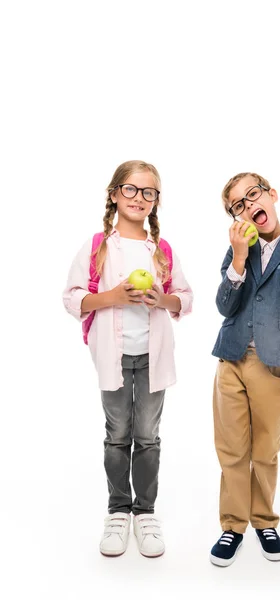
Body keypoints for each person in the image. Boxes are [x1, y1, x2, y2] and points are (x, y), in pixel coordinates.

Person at [63, 160, 193, 558]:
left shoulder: (162, 250)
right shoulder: (98, 246)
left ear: (156, 201)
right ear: (115, 193)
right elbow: (72, 298)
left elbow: (184, 300)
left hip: (153, 359)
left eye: (148, 192)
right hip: (113, 359)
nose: (139, 198)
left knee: (148, 436)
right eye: (131, 190)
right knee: (118, 435)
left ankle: (145, 512)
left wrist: (161, 299)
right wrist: (114, 297)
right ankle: (118, 511)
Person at [210, 172, 280, 567]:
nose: (248, 206)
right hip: (231, 359)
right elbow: (225, 306)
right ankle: (233, 524)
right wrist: (239, 259)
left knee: (265, 449)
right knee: (231, 448)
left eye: (252, 195)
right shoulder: (237, 251)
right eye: (237, 205)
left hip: (274, 366)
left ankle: (263, 519)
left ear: (271, 195)